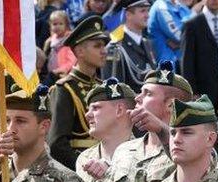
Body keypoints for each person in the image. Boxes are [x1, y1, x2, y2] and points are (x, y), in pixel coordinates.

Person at [48, 14, 109, 170]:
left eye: (104, 46)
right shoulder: (65, 89)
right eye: (97, 46)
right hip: (80, 169)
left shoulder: (104, 87)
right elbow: (57, 144)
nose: (104, 51)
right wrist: (84, 168)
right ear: (80, 51)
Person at [102, 0, 156, 92]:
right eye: (142, 11)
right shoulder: (115, 47)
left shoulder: (147, 43)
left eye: (148, 10)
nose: (147, 15)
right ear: (128, 15)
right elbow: (113, 90)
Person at [147, 0, 190, 65]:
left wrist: (179, 45)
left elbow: (195, 29)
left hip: (181, 60)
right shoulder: (161, 6)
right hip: (167, 64)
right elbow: (178, 36)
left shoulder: (179, 4)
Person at [42, 9, 76, 84]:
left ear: (66, 25)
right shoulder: (52, 39)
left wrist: (61, 70)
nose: (57, 27)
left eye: (61, 24)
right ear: (50, 26)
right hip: (52, 72)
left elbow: (72, 61)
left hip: (64, 74)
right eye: (54, 24)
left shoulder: (68, 40)